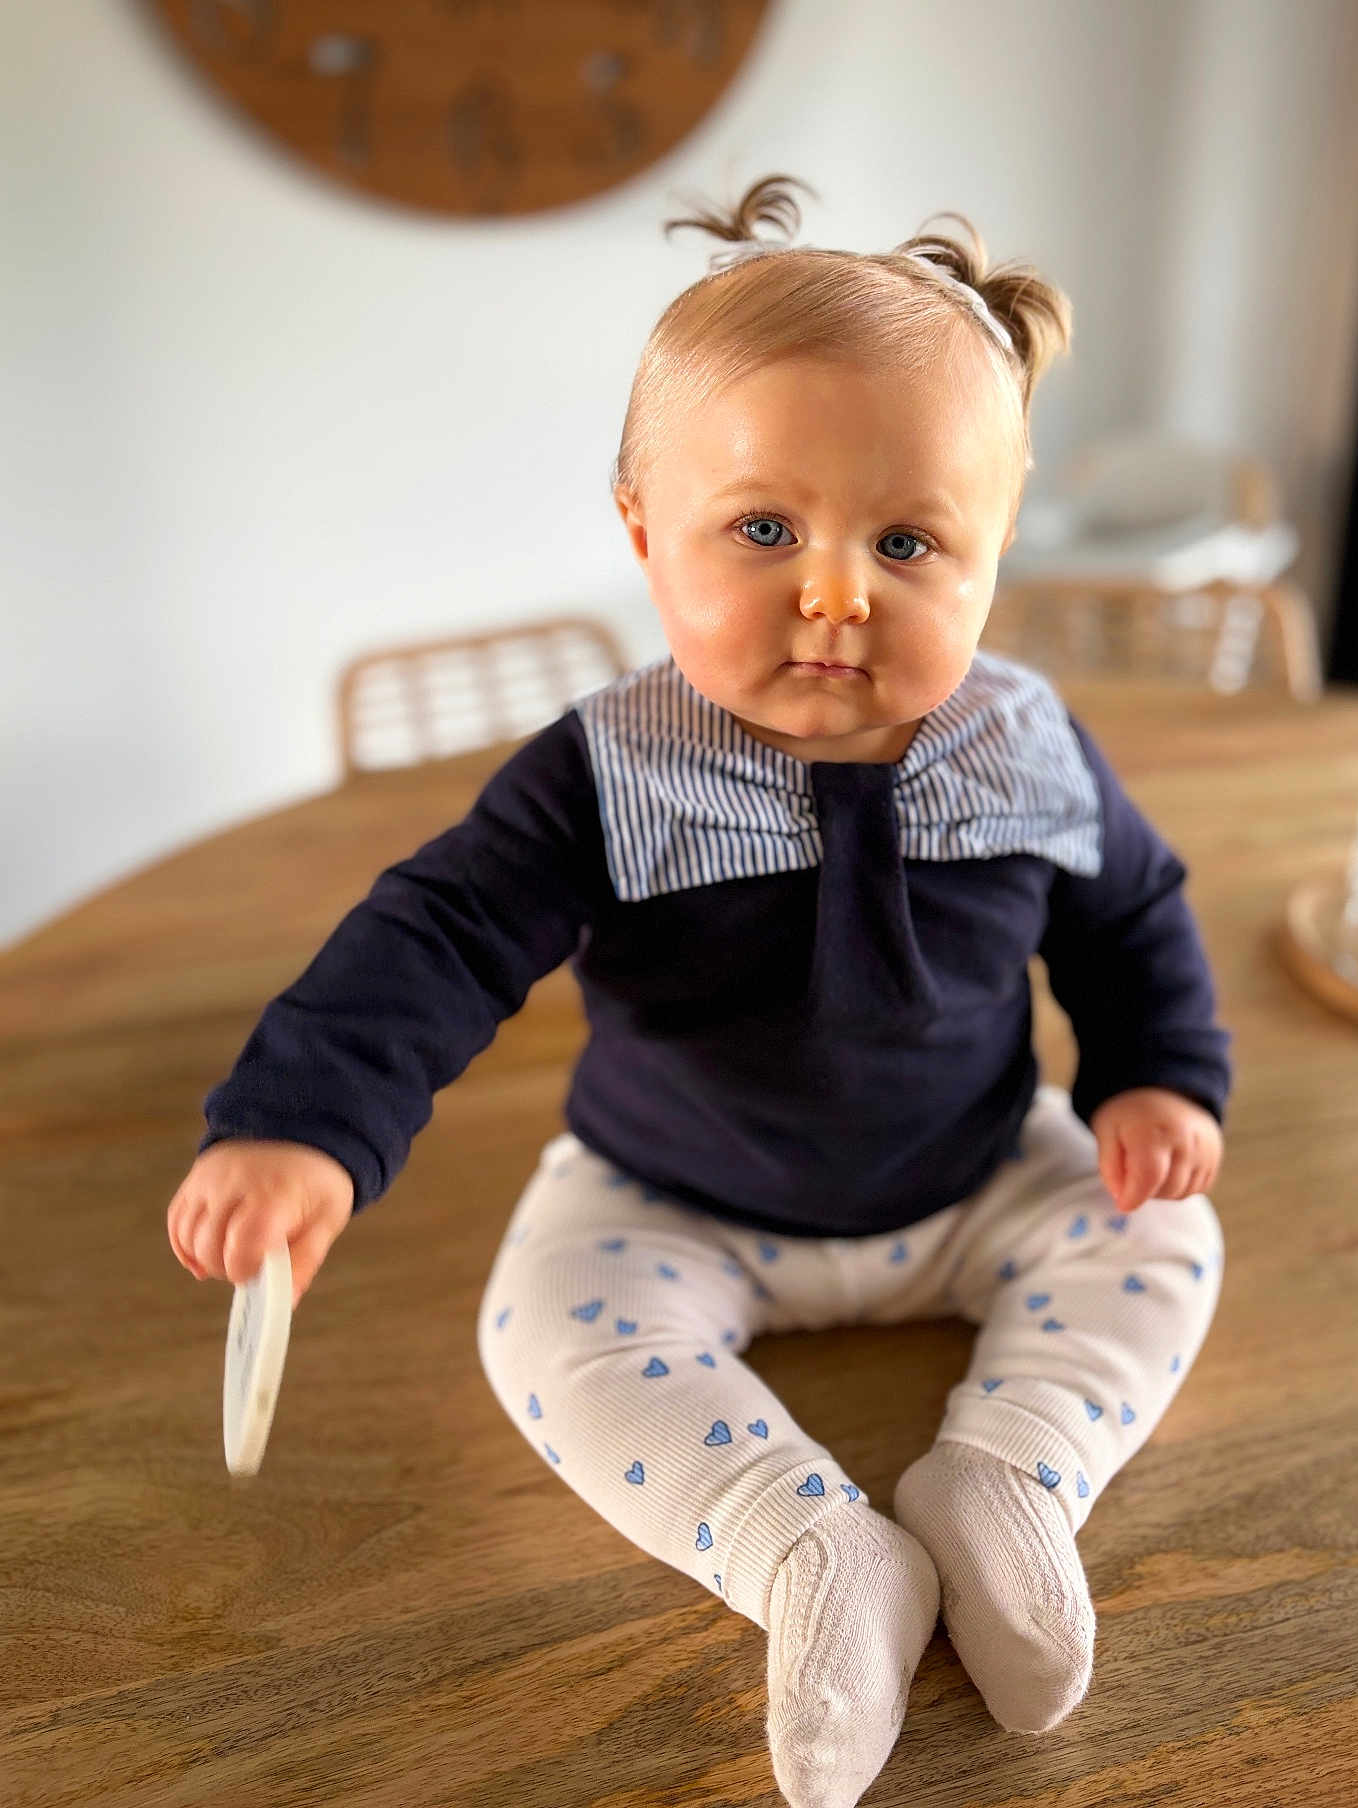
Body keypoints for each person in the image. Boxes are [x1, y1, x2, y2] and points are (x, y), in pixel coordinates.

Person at [167, 175, 1230, 1808]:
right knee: (539, 1330)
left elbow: (1133, 916)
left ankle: (1011, 1472)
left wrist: (1156, 1077)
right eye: (762, 529)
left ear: (994, 553)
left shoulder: (1025, 745)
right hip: (675, 1193)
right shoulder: (610, 775)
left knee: (1170, 1229)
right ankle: (809, 1552)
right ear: (641, 530)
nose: (834, 590)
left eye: (907, 540)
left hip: (970, 1175)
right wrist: (307, 1125)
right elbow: (436, 937)